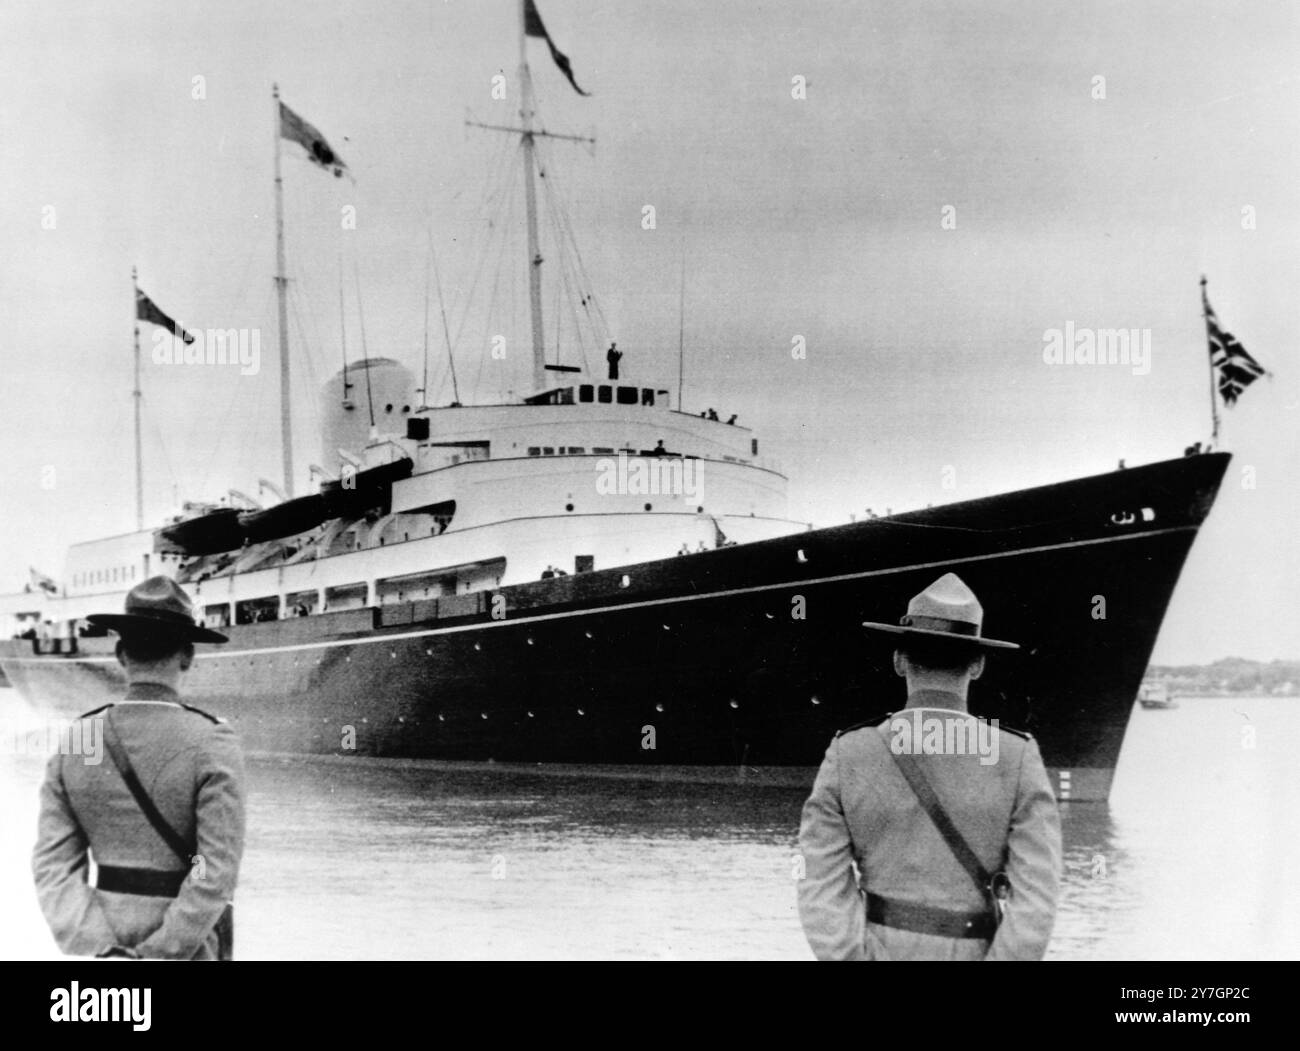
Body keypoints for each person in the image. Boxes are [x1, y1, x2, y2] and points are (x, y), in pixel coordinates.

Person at [797, 572, 1060, 961]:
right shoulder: (1016, 756)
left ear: (899, 661)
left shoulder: (849, 752)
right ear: (978, 665)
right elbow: (1037, 897)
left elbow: (816, 884)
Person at [32, 576, 245, 960]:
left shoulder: (86, 736)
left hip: (100, 954)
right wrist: (156, 953)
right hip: (188, 948)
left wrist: (102, 948)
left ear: (120, 654)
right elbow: (212, 870)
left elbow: (54, 866)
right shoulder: (212, 739)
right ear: (187, 656)